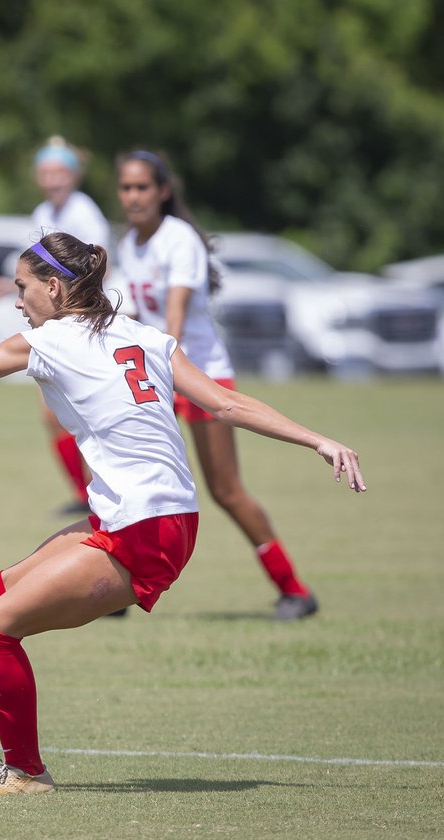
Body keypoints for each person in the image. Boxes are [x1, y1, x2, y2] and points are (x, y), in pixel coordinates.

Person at [0, 231, 365, 796]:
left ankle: (25, 772)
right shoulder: (148, 338)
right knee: (1, 590)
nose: (17, 300)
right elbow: (227, 403)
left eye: (23, 287)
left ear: (54, 287)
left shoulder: (48, 341)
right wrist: (317, 439)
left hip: (144, 529)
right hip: (158, 517)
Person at [113, 150, 319, 621]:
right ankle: (116, 588)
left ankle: (295, 589)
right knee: (129, 477)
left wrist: (158, 378)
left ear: (163, 191)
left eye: (142, 187)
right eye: (125, 188)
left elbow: (174, 323)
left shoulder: (177, 239)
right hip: (160, 373)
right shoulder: (130, 244)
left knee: (225, 490)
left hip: (199, 376)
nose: (133, 196)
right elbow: (133, 314)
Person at [0, 136, 114, 516]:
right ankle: (87, 494)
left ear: (73, 175)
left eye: (59, 172)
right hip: (61, 321)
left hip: (84, 321)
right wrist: (13, 285)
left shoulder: (84, 212)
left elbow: (91, 269)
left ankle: (94, 493)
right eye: (45, 173)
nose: (52, 180)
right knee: (55, 415)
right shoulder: (44, 211)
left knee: (78, 412)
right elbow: (41, 272)